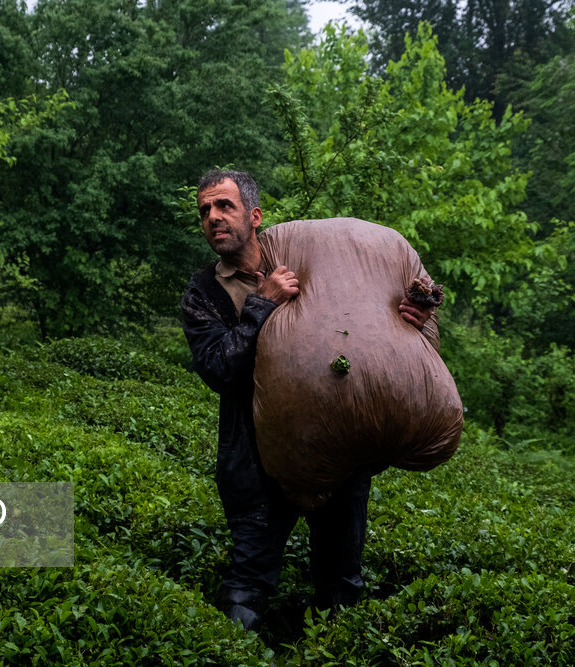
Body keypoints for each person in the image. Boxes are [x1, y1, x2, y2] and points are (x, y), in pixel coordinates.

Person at [180, 169, 436, 631]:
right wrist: (263, 304)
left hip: (336, 454)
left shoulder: (308, 262)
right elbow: (218, 369)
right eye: (204, 211)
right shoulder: (203, 293)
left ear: (254, 216)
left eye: (224, 206)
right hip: (255, 462)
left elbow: (360, 328)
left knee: (341, 585)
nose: (213, 218)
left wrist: (409, 317)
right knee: (248, 586)